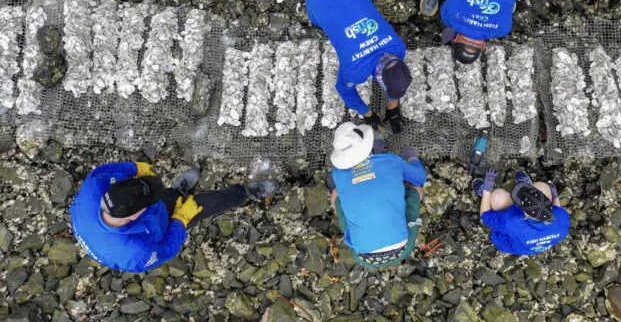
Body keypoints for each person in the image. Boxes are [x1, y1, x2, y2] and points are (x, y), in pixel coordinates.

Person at [69, 161, 279, 272]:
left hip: (143, 217)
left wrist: (134, 168)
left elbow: (106, 170)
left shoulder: (94, 186)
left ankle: (177, 192)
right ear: (134, 216)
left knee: (167, 197)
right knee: (200, 206)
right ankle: (244, 193)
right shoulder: (136, 253)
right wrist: (180, 221)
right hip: (159, 230)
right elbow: (166, 249)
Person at [306, 0, 413, 133]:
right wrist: (367, 114)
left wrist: (393, 108)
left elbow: (393, 75)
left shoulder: (398, 47)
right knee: (319, 22)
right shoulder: (354, 70)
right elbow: (344, 90)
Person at [328, 122, 426, 268]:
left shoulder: (338, 173)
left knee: (336, 195)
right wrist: (411, 157)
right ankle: (379, 150)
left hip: (362, 257)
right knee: (415, 190)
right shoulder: (391, 160)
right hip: (402, 249)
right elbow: (419, 178)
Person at [476, 169, 570, 255]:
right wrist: (555, 196)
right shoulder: (562, 217)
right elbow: (557, 209)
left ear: (525, 213)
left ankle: (486, 195)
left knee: (498, 197)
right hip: (531, 240)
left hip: (510, 242)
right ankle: (527, 186)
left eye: (522, 202)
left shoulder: (510, 222)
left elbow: (485, 216)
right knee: (543, 187)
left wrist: (487, 191)